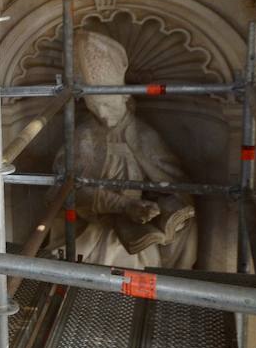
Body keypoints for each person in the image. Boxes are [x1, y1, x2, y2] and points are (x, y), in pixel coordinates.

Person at [55, 31, 198, 269]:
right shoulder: (82, 135)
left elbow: (177, 189)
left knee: (130, 265)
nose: (101, 113)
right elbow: (61, 190)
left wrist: (157, 211)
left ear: (124, 97)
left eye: (107, 103)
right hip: (88, 225)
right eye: (93, 106)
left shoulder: (144, 137)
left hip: (134, 233)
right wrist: (120, 205)